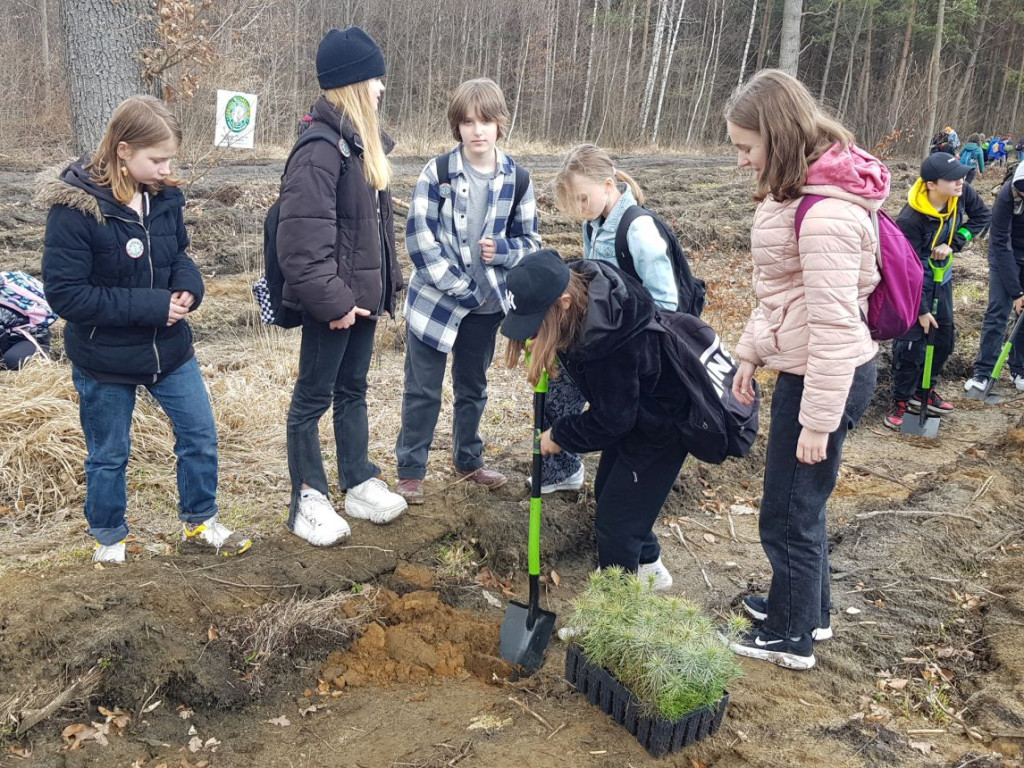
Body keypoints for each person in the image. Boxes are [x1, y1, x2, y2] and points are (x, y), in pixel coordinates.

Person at [38, 96, 250, 564]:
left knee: (199, 436)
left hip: (169, 351)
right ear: (122, 149)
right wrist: (155, 305)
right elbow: (68, 296)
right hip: (104, 359)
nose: (166, 168)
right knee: (108, 455)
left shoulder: (163, 196)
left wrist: (189, 288)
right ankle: (109, 538)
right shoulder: (76, 210)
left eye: (170, 158)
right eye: (157, 159)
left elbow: (178, 256)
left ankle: (200, 522)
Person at [724, 70, 882, 670]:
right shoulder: (797, 193)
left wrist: (816, 420)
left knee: (788, 510)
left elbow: (836, 329)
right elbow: (785, 297)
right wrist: (750, 350)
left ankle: (789, 639)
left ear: (780, 137)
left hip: (824, 375)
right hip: (807, 366)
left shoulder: (824, 217)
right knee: (800, 504)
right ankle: (807, 612)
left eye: (746, 147)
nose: (740, 162)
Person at [277, 27, 408, 547]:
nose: (382, 88)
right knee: (311, 398)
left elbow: (370, 236)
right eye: (375, 78)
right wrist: (334, 302)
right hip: (334, 303)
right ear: (353, 83)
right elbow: (302, 244)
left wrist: (379, 293)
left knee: (354, 390)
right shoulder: (319, 151)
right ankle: (308, 498)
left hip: (362, 302)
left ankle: (357, 480)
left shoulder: (358, 147)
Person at [501, 249, 690, 592]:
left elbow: (612, 419)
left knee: (616, 522)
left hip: (664, 424)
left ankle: (613, 615)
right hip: (639, 416)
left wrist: (559, 434)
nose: (531, 334)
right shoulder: (581, 293)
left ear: (563, 303)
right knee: (612, 495)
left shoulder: (609, 340)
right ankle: (650, 570)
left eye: (535, 323)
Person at [527, 144, 679, 565]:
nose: (578, 209)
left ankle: (623, 598)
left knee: (617, 514)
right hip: (621, 362)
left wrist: (560, 436)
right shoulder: (596, 225)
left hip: (645, 367)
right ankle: (648, 566)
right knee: (618, 489)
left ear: (608, 185)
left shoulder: (638, 229)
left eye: (582, 198)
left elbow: (666, 304)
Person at [394, 78, 541, 504]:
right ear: (456, 127)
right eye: (468, 122)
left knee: (472, 387)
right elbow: (420, 239)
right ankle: (411, 470)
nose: (477, 130)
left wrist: (506, 251)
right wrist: (461, 286)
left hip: (487, 306)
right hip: (436, 302)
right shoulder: (437, 173)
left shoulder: (519, 179)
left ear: (500, 125)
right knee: (422, 389)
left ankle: (468, 459)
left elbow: (531, 242)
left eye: (486, 122)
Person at [886, 153, 991, 429]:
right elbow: (902, 268)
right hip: (913, 282)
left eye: (961, 176)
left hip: (941, 277)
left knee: (943, 337)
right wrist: (920, 310)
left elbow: (982, 216)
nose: (960, 182)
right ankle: (900, 399)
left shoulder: (962, 193)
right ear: (932, 184)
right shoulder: (910, 219)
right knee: (912, 343)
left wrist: (955, 242)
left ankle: (925, 391)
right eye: (953, 178)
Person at [965, 163, 1024, 393]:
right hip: (1004, 255)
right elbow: (1000, 242)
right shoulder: (1006, 196)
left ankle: (1019, 369)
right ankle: (983, 371)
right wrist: (1017, 292)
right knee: (998, 310)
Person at [0, 270, 55, 369]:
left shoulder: (6, 302)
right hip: (8, 336)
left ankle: (41, 353)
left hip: (31, 338)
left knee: (12, 362)